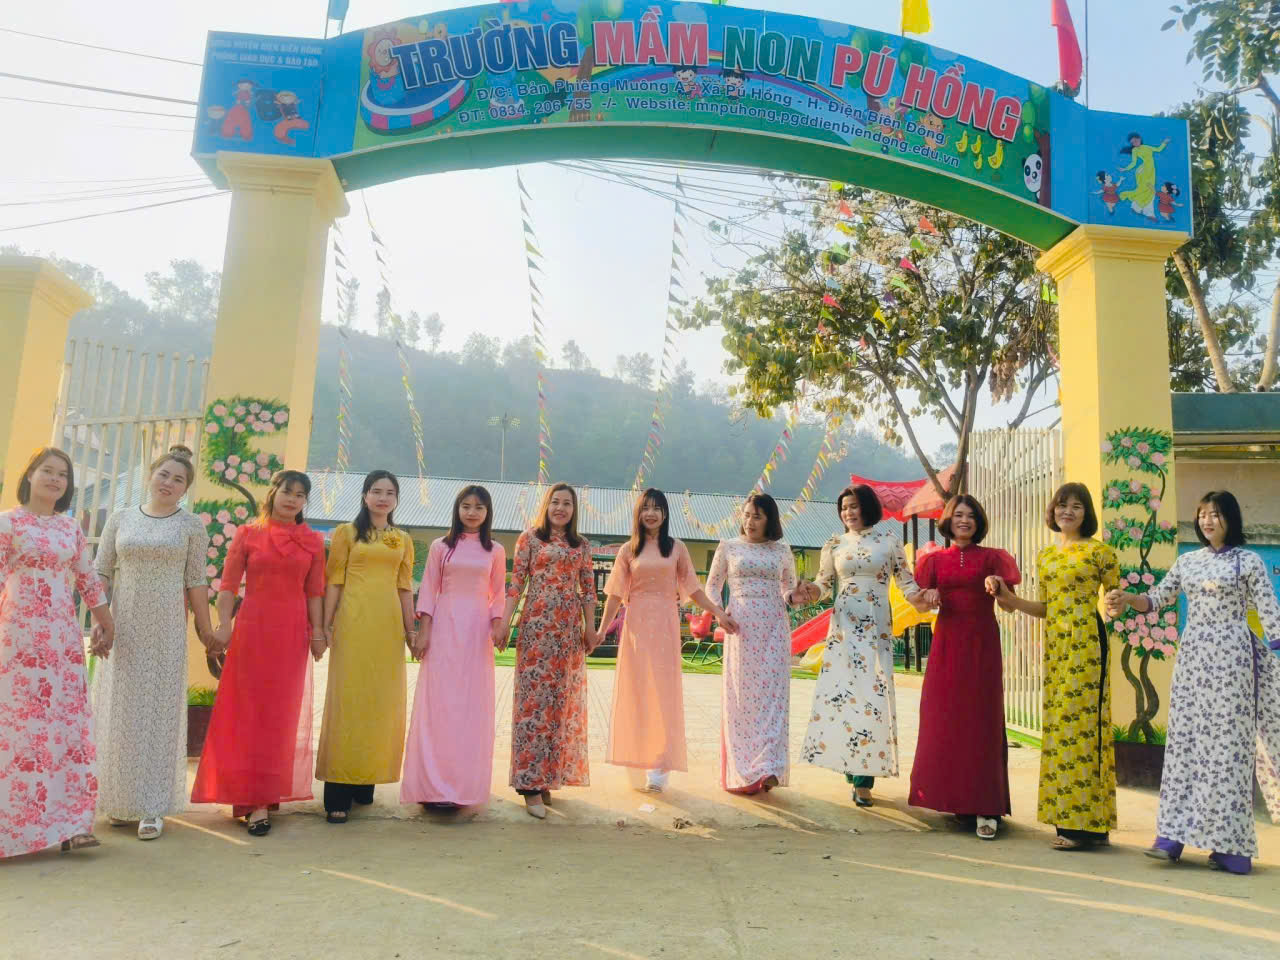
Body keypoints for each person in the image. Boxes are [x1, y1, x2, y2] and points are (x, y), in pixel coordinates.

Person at [1105, 491, 1280, 875]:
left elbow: (1270, 610)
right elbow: (1157, 600)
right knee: (1185, 743)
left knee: (1229, 750)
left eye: (1215, 514)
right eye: (1202, 515)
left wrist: (1277, 646)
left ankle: (1230, 847)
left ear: (1231, 518)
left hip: (1233, 663)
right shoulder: (1187, 562)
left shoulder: (1248, 562)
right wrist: (1128, 598)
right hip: (1193, 661)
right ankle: (1171, 837)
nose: (1207, 521)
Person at [190, 470, 326, 837]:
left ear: (304, 501)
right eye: (287, 491)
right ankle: (251, 799)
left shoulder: (313, 541)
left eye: (300, 495)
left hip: (291, 633)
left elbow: (315, 592)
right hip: (252, 630)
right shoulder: (248, 534)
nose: (292, 499)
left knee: (279, 715)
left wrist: (318, 633)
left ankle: (264, 794)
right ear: (273, 493)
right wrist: (224, 625)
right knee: (247, 712)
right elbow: (228, 586)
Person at [92, 446, 214, 841]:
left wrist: (206, 632)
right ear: (150, 475)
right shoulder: (121, 518)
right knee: (122, 712)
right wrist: (101, 620)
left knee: (158, 717)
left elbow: (196, 580)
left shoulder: (191, 526)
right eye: (164, 474)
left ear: (185, 489)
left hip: (166, 630)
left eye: (178, 479)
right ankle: (118, 799)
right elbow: (101, 571)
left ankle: (151, 806)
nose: (169, 483)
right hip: (123, 625)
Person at [990, 482, 1121, 851]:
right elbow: (1046, 607)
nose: (1068, 512)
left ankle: (1090, 826)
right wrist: (1010, 599)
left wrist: (1116, 604)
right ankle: (1071, 820)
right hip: (1057, 645)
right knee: (1061, 730)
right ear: (1053, 511)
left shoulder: (1101, 552)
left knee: (1086, 728)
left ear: (1086, 513)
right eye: (1062, 505)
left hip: (1088, 643)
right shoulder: (1046, 556)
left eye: (1077, 506)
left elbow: (1115, 599)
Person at [0, 447, 114, 857]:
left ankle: (72, 825)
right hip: (17, 641)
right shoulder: (7, 523)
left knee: (66, 729)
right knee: (18, 731)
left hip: (63, 642)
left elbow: (87, 578)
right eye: (47, 471)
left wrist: (106, 622)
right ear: (29, 475)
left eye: (62, 474)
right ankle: (11, 830)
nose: (54, 479)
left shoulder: (70, 528)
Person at [597, 489, 738, 793]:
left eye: (656, 508)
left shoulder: (676, 548)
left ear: (664, 514)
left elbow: (694, 589)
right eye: (645, 508)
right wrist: (601, 630)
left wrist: (718, 613)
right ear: (638, 513)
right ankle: (635, 760)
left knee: (662, 695)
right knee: (637, 692)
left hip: (665, 625)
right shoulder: (628, 551)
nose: (651, 514)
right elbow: (615, 595)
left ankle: (659, 769)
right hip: (636, 627)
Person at [801, 484, 925, 807]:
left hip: (876, 625)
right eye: (844, 508)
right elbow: (823, 585)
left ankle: (863, 778)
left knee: (872, 695)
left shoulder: (889, 542)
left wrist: (922, 599)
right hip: (844, 625)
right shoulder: (835, 544)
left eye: (854, 506)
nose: (848, 513)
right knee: (846, 694)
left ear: (867, 507)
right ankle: (852, 764)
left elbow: (906, 582)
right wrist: (808, 592)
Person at [908, 495, 1020, 840]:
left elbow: (1010, 606)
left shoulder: (993, 558)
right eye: (958, 515)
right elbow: (920, 606)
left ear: (978, 521)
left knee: (982, 720)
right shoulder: (933, 560)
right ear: (948, 519)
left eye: (971, 515)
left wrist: (998, 588)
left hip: (982, 644)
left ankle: (987, 806)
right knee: (945, 717)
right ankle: (955, 800)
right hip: (947, 644)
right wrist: (928, 598)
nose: (964, 520)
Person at [315, 470, 415, 823]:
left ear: (396, 499)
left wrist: (411, 630)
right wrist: (325, 626)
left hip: (387, 628)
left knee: (378, 702)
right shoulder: (346, 533)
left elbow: (405, 587)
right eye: (376, 491)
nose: (383, 498)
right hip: (353, 623)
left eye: (389, 492)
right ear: (364, 495)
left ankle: (365, 780)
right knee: (348, 700)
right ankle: (338, 791)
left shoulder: (402, 539)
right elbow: (334, 580)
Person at [401, 485, 507, 810]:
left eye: (479, 507)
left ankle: (461, 786)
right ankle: (431, 786)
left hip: (476, 631)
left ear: (488, 513)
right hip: (444, 626)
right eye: (466, 506)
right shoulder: (440, 547)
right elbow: (429, 589)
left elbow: (498, 593)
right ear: (457, 509)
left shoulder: (495, 550)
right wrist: (423, 632)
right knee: (439, 703)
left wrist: (497, 625)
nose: (472, 512)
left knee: (469, 707)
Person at [706, 492, 816, 795]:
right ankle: (744, 771)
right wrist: (719, 614)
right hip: (740, 628)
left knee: (772, 698)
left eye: (757, 516)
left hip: (774, 629)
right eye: (746, 515)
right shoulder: (728, 547)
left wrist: (797, 596)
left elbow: (787, 591)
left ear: (770, 520)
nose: (750, 521)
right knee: (742, 700)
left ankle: (769, 767)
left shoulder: (781, 550)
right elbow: (712, 587)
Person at [500, 483, 597, 819]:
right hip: (536, 629)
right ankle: (528, 784)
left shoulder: (581, 545)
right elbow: (516, 584)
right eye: (555, 502)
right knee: (533, 704)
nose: (560, 508)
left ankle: (546, 779)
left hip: (567, 633)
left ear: (574, 510)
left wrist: (590, 628)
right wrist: (505, 623)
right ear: (546, 505)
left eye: (567, 503)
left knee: (558, 705)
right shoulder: (530, 538)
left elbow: (588, 591)